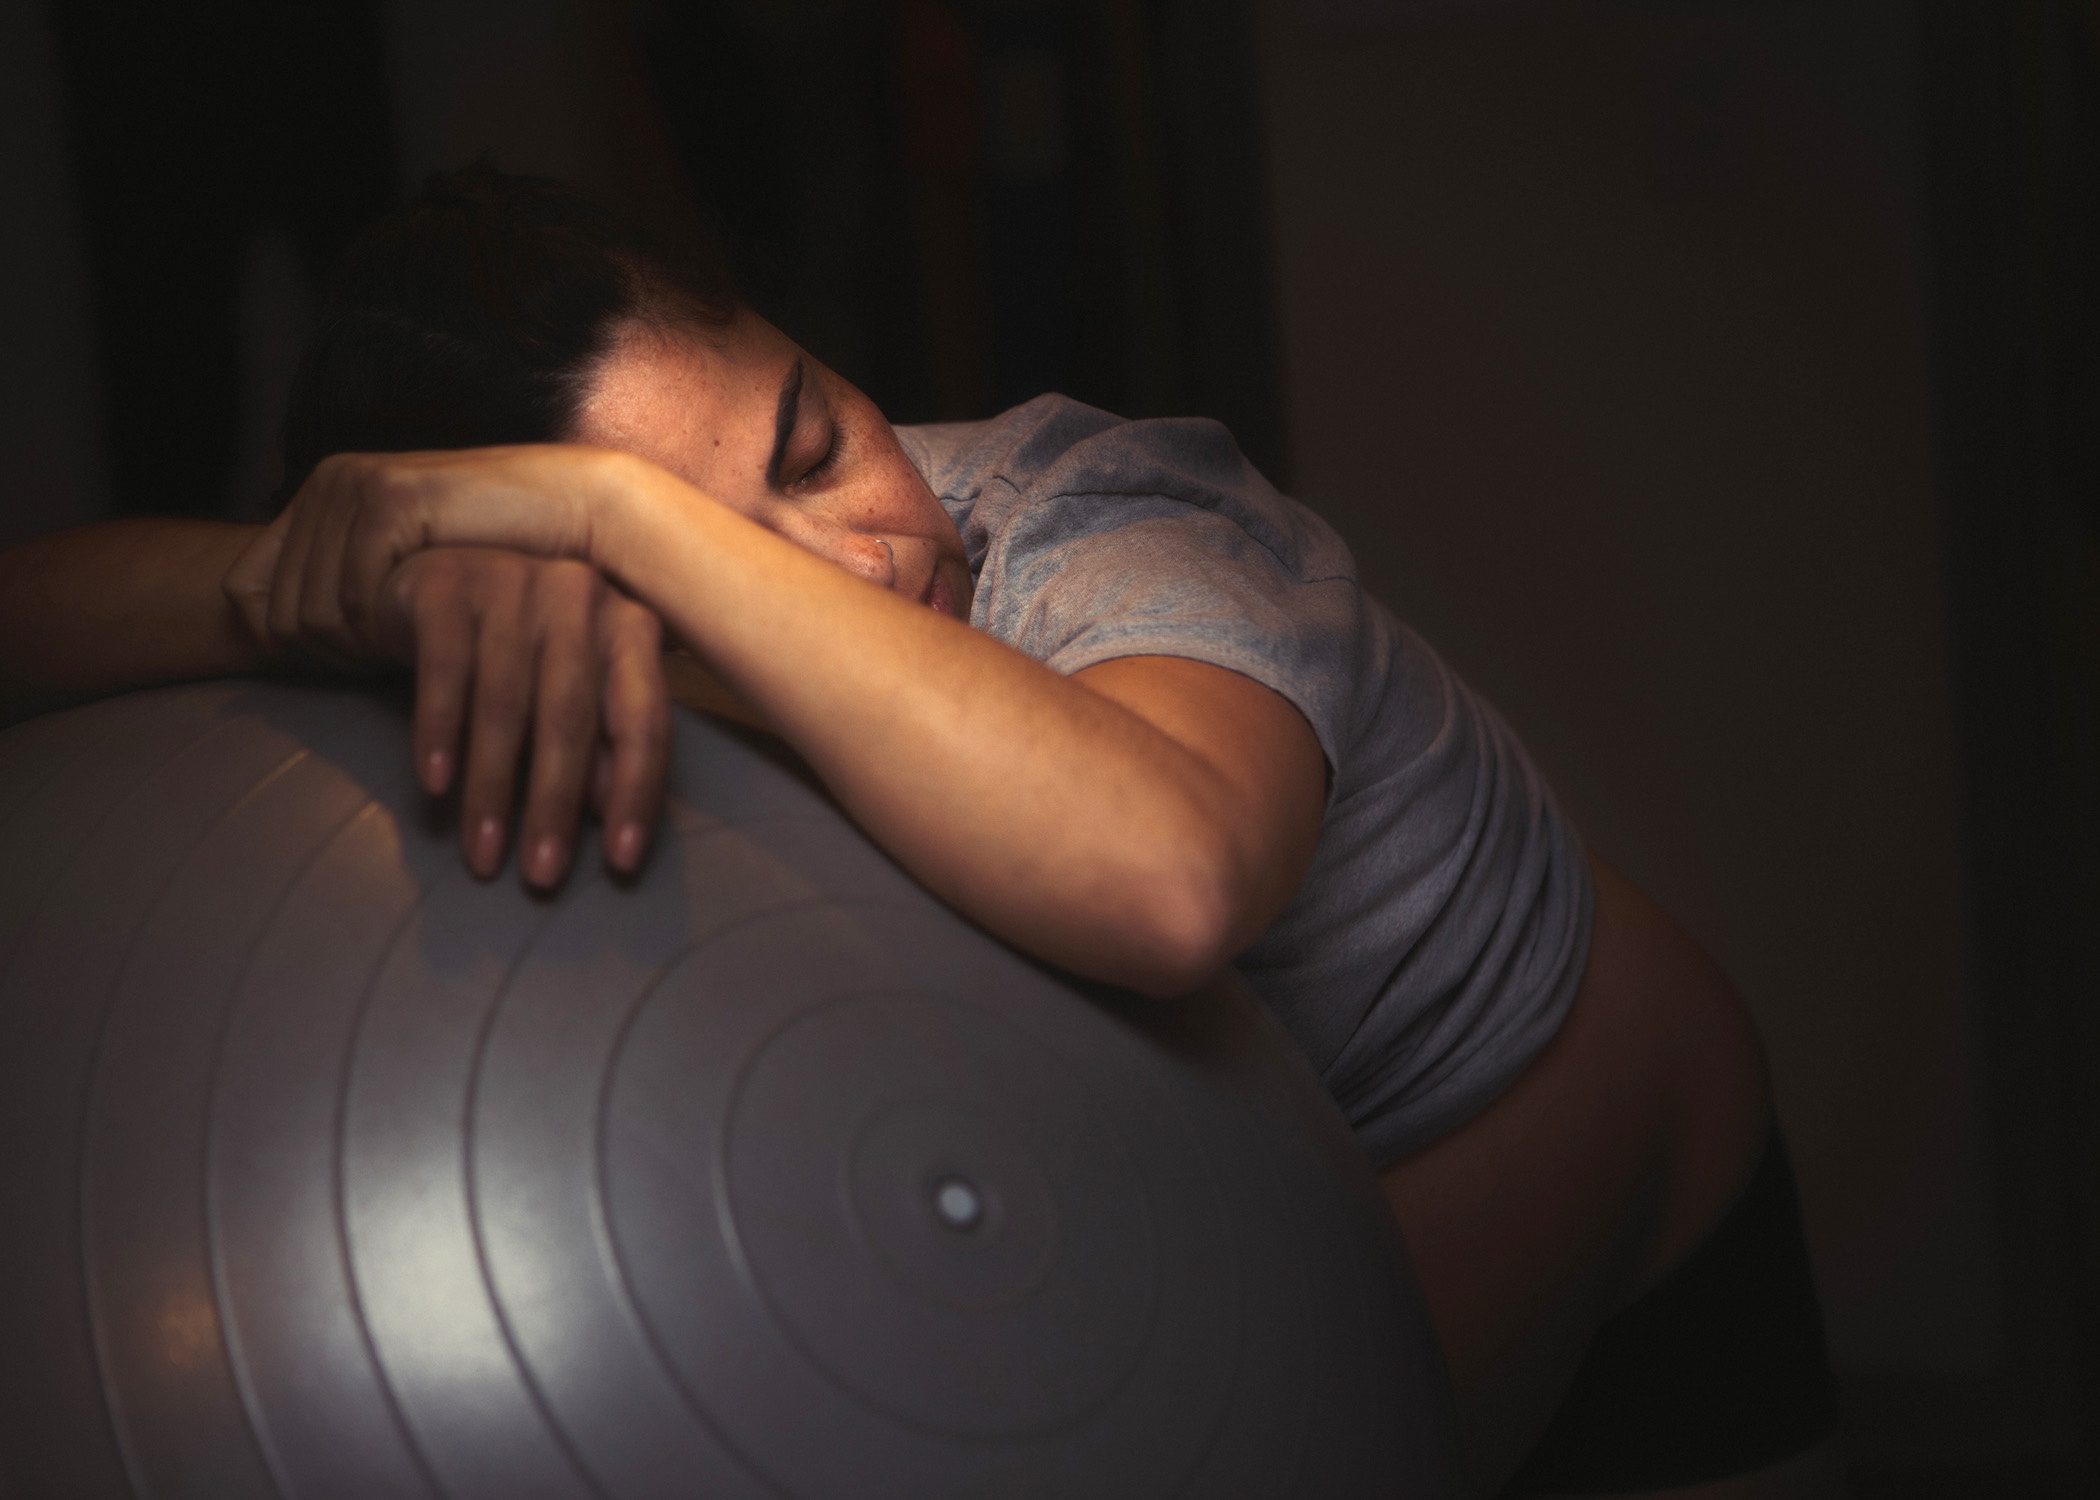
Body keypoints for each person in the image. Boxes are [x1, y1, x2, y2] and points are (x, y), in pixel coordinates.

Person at [0, 167, 1839, 1497]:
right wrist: (365, 586)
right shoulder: (547, 628)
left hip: (1577, 1122)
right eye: (674, 531)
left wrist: (623, 531)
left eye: (809, 444)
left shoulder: (1108, 515)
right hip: (1216, 1214)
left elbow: (1172, 875)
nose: (872, 557)